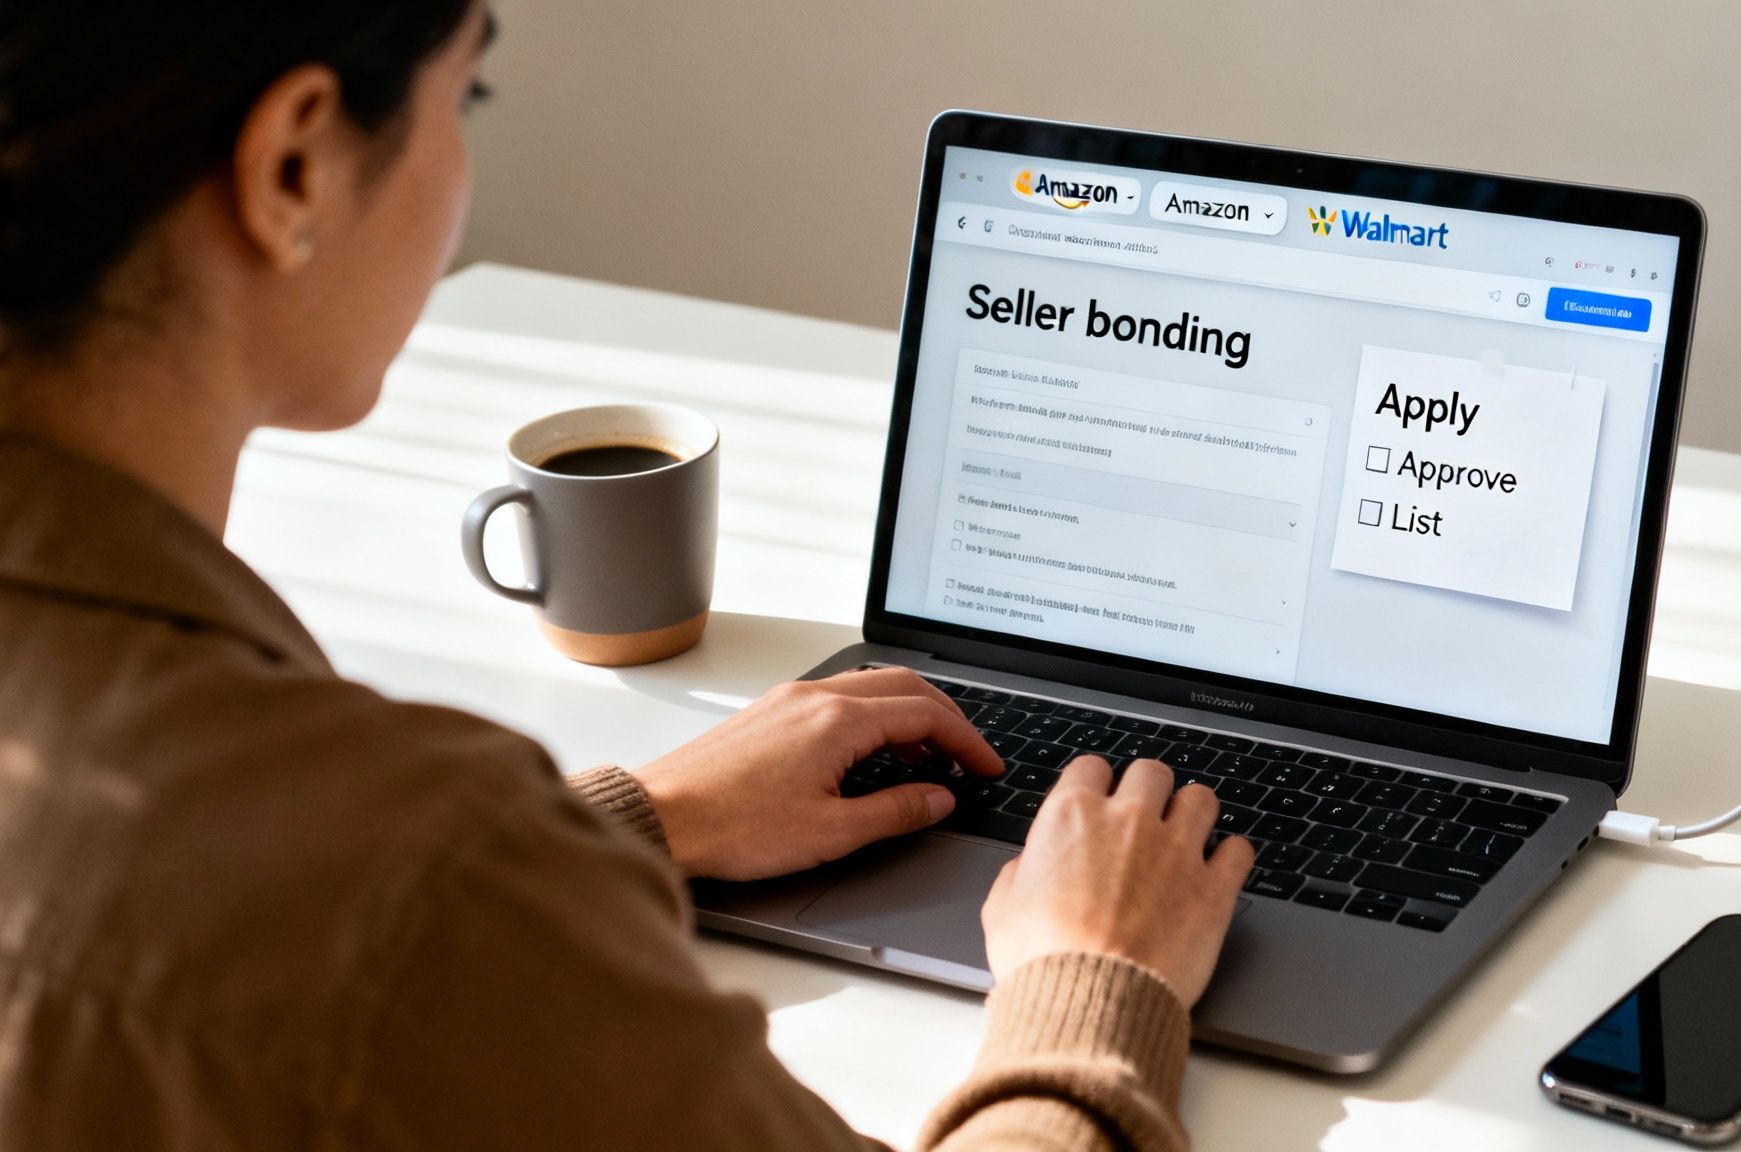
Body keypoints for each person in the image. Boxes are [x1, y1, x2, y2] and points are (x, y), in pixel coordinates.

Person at [0, 3, 1259, 1149]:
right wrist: (1098, 978)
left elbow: (264, 936)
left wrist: (617, 828)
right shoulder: (408, 866)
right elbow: (363, 928)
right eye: (466, 97)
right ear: (294, 166)